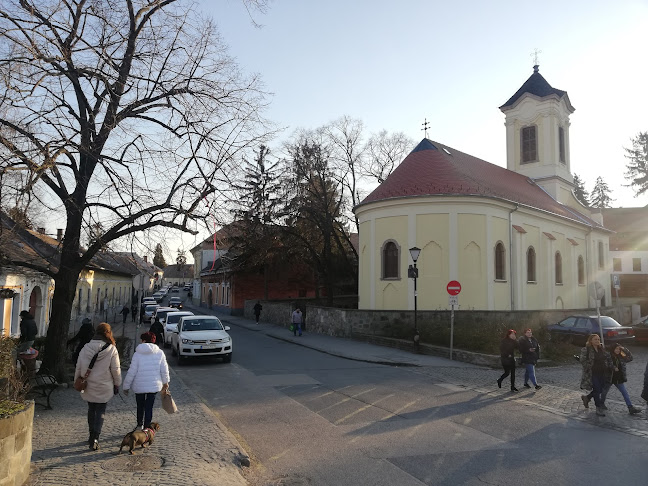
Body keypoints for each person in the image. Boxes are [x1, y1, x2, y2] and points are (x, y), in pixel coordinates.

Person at [74, 322, 121, 450]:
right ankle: (96, 438)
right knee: (101, 411)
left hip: (88, 384)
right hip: (104, 385)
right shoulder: (111, 349)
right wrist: (117, 384)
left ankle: (90, 435)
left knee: (91, 409)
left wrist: (76, 380)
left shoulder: (86, 347)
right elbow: (116, 369)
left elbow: (79, 365)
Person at [122, 332, 170, 430]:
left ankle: (140, 424)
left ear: (143, 340)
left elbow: (132, 371)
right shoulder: (160, 353)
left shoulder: (137, 354)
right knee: (149, 406)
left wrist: (126, 386)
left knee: (140, 406)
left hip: (139, 385)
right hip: (153, 385)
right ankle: (147, 426)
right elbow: (164, 370)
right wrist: (165, 383)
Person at [600, 343, 642, 415]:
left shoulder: (621, 355)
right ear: (613, 349)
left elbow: (630, 358)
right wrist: (613, 367)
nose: (618, 350)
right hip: (609, 377)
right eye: (616, 349)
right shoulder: (608, 355)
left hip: (618, 378)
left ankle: (630, 407)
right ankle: (601, 404)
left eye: (619, 349)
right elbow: (606, 364)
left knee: (625, 393)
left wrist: (624, 349)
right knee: (604, 392)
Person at [580, 333, 611, 417]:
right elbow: (582, 360)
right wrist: (590, 366)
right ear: (591, 341)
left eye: (598, 339)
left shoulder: (602, 349)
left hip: (602, 372)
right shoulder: (586, 349)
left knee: (600, 390)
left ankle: (587, 398)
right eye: (595, 339)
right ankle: (598, 408)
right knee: (597, 389)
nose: (597, 341)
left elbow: (607, 358)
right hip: (592, 373)